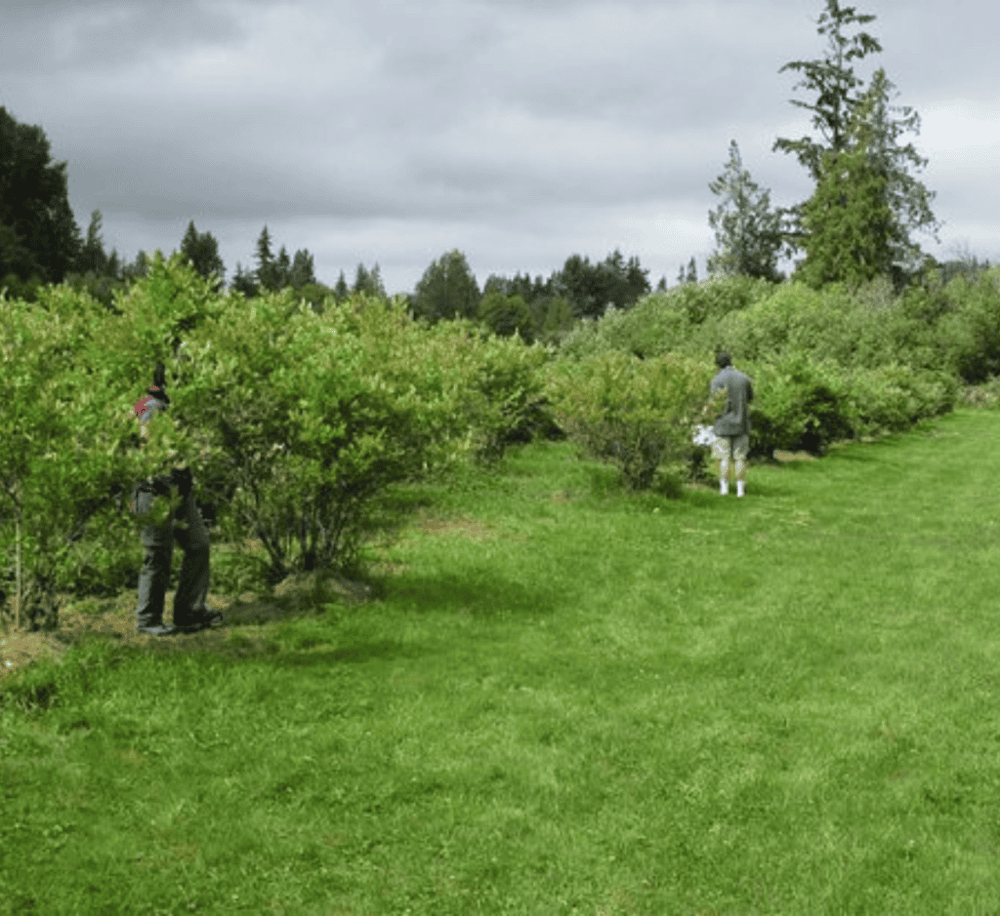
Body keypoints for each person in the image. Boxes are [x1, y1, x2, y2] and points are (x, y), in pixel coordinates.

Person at [132, 362, 222, 635]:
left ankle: (189, 611)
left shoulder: (173, 407)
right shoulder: (149, 405)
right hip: (155, 489)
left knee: (198, 544)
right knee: (158, 555)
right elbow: (146, 442)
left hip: (180, 489)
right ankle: (148, 621)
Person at [710, 352, 753, 497]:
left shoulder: (717, 380)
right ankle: (740, 490)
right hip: (741, 423)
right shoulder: (744, 379)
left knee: (724, 458)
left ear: (717, 364)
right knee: (740, 458)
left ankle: (724, 489)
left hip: (722, 424)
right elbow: (750, 399)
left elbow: (714, 403)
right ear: (731, 361)